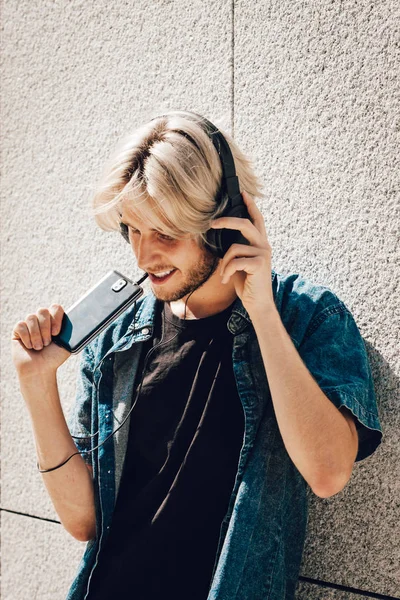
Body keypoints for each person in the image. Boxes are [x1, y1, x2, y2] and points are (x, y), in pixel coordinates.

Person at [12, 110, 383, 600]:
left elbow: (329, 472)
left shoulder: (305, 316)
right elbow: (84, 522)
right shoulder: (115, 337)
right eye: (133, 231)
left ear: (226, 219)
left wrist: (262, 313)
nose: (144, 257)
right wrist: (36, 384)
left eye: (164, 232)